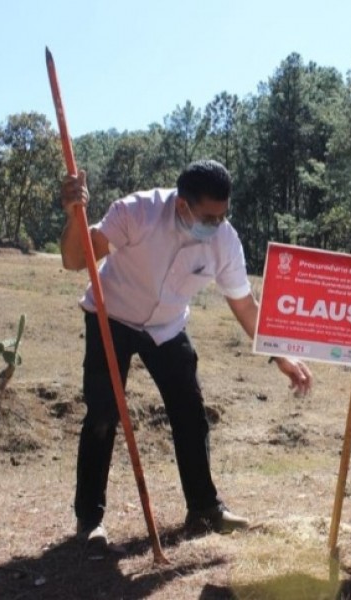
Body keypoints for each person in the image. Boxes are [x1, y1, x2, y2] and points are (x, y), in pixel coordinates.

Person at [60, 159, 312, 547]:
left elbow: (245, 305)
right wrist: (73, 215)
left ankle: (204, 509)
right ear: (182, 205)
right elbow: (75, 259)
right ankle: (89, 520)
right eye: (209, 217)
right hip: (111, 315)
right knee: (103, 414)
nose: (216, 225)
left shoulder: (225, 240)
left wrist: (280, 354)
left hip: (167, 327)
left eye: (223, 215)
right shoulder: (136, 211)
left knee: (191, 415)